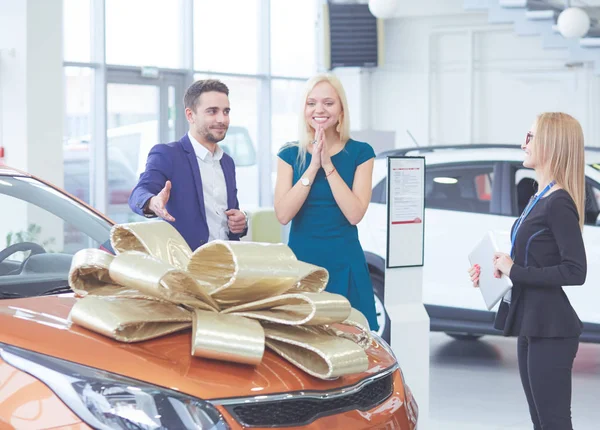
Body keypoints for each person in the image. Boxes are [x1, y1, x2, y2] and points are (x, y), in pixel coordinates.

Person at [468, 112, 587, 430]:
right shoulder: (539, 197)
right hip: (531, 323)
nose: (524, 144)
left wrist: (515, 270)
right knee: (541, 423)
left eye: (531, 137)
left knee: (554, 423)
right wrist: (499, 270)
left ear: (551, 144)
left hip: (552, 329)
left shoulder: (558, 202)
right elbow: (533, 262)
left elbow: (575, 271)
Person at [274, 73, 379, 331]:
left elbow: (354, 213)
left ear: (341, 109)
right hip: (303, 263)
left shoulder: (361, 153)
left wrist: (328, 165)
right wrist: (312, 168)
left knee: (352, 338)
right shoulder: (289, 154)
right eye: (312, 103)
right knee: (302, 341)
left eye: (328, 103)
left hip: (345, 262)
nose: (319, 109)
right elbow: (284, 214)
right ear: (304, 110)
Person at [129, 79, 247, 250]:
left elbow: (232, 214)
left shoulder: (227, 162)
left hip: (227, 264)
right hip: (187, 265)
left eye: (226, 111)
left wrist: (241, 222)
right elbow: (138, 194)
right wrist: (153, 202)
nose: (222, 119)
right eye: (212, 111)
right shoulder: (167, 155)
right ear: (190, 115)